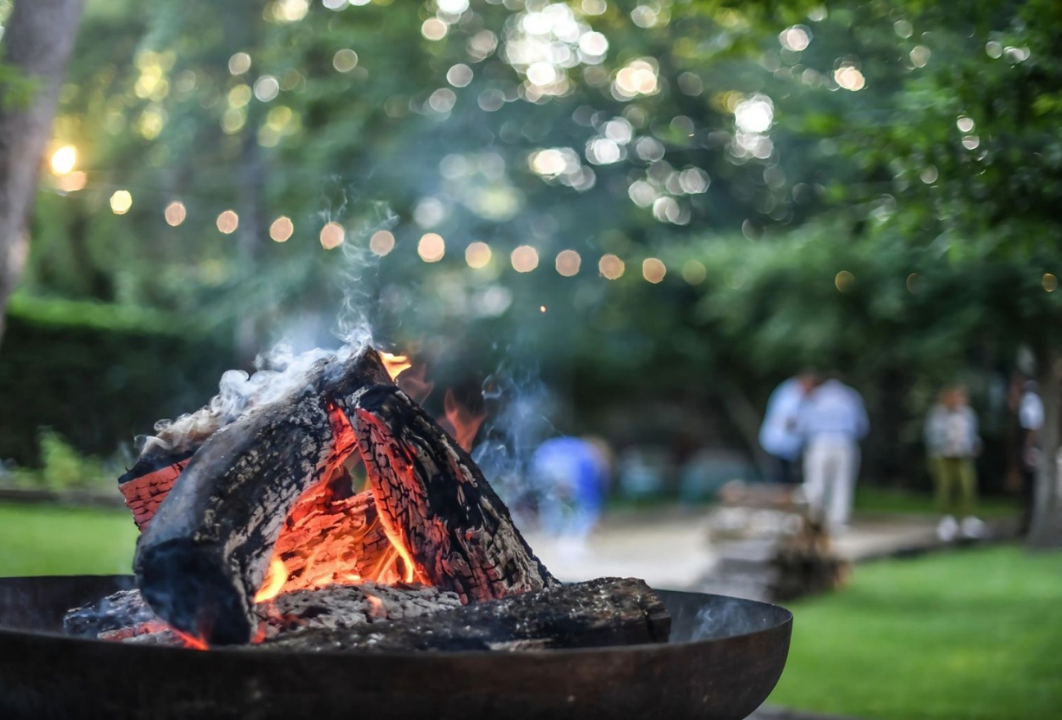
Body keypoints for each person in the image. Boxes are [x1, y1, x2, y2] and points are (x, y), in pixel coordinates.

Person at [798, 375, 869, 531]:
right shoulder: (850, 396)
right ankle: (838, 522)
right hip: (844, 442)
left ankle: (814, 519)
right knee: (842, 484)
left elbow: (803, 425)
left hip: (819, 442)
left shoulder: (816, 396)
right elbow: (861, 426)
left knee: (815, 483)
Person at [924, 385, 982, 541]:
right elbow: (931, 435)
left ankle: (967, 519)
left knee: (967, 485)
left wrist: (974, 446)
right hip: (943, 456)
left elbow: (973, 434)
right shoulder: (938, 414)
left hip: (963, 455)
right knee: (945, 486)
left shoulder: (968, 414)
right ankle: (946, 519)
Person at [759, 372, 818, 484]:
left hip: (788, 447)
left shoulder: (796, 394)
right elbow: (786, 420)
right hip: (777, 444)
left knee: (787, 478)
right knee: (779, 480)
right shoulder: (790, 394)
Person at [1017, 378, 1044, 534]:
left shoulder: (1030, 400)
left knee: (1032, 483)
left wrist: (1028, 448)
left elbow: (1032, 427)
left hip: (1033, 448)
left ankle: (1031, 519)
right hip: (1036, 447)